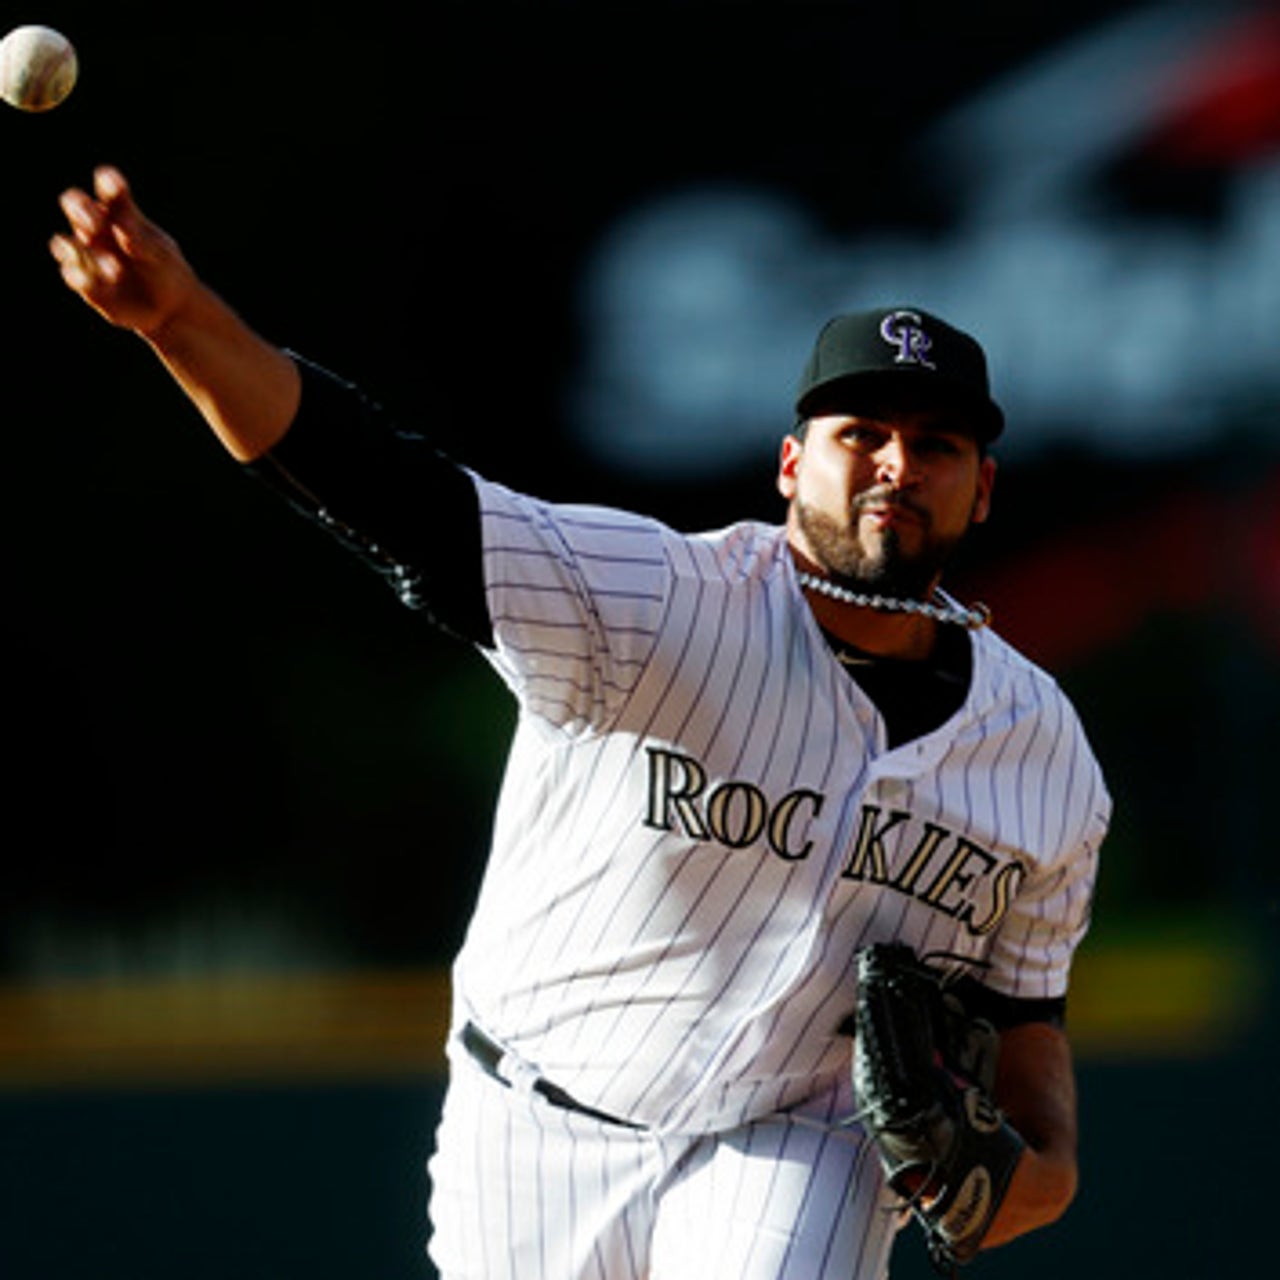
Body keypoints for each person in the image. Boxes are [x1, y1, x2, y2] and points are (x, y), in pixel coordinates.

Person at [50, 166, 1108, 1280]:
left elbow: (1021, 1008)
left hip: (793, 1130)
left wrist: (1045, 1163)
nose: (896, 465)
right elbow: (393, 494)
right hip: (537, 1106)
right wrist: (178, 320)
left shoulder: (1043, 756)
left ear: (981, 488)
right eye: (862, 433)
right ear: (793, 464)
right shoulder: (656, 602)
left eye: (935, 444)